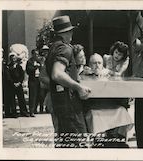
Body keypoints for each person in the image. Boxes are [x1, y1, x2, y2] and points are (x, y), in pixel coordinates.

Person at [45, 15, 91, 148]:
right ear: (67, 32)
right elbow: (57, 74)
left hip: (59, 102)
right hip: (70, 104)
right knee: (79, 143)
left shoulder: (53, 48)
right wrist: (78, 87)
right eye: (71, 31)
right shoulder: (65, 48)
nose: (71, 34)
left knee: (65, 143)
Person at [81, 53, 133, 148]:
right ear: (89, 64)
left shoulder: (108, 74)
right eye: (94, 63)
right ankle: (99, 142)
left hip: (110, 105)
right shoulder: (84, 75)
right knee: (94, 115)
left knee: (122, 111)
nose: (97, 65)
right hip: (94, 107)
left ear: (103, 64)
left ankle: (119, 141)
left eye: (99, 63)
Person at [8, 52, 29, 117]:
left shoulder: (19, 66)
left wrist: (19, 82)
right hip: (12, 85)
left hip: (19, 84)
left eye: (14, 58)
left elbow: (22, 75)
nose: (13, 59)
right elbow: (8, 76)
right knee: (12, 99)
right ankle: (14, 113)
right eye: (12, 58)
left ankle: (24, 112)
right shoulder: (8, 67)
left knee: (21, 99)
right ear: (10, 59)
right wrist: (13, 83)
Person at [26, 49, 41, 117]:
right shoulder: (29, 61)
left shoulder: (39, 61)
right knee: (32, 96)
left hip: (39, 80)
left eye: (37, 54)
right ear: (32, 54)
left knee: (38, 95)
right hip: (32, 80)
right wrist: (35, 67)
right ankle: (31, 111)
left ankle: (35, 109)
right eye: (35, 54)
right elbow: (28, 70)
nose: (36, 55)